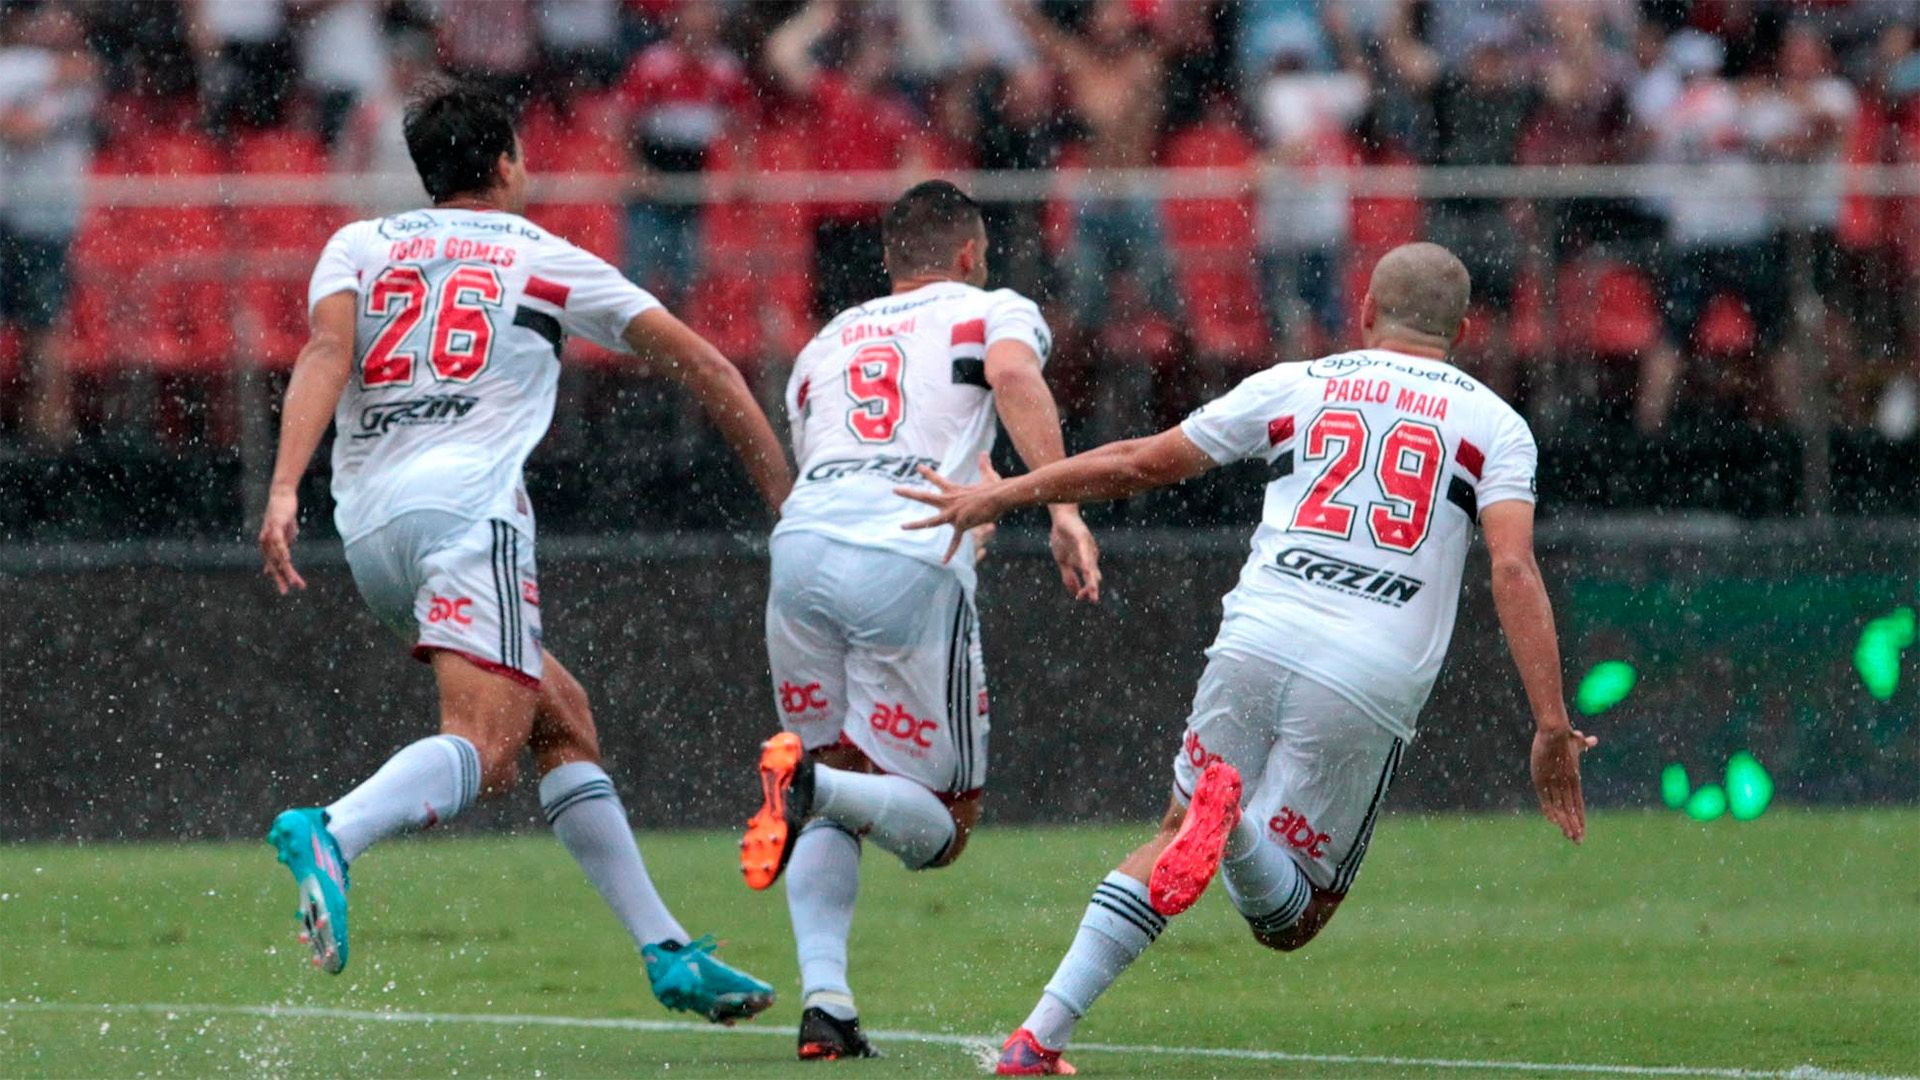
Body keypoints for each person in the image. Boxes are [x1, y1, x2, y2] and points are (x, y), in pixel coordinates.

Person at [897, 243, 1597, 1076]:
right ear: (1465, 329)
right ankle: (1228, 833)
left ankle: (1037, 1038)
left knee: (1169, 828)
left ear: (1365, 309)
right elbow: (1512, 567)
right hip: (1368, 671)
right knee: (1292, 920)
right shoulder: (1496, 425)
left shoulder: (1296, 384)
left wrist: (1001, 493)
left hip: (1257, 634)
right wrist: (1551, 722)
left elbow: (1138, 462)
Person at [255, 82, 792, 1023]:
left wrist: (283, 484)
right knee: (489, 748)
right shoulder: (548, 259)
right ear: (505, 164)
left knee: (561, 717)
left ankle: (667, 950)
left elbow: (323, 356)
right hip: (469, 515)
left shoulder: (360, 244)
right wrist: (786, 505)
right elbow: (707, 364)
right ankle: (332, 830)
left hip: (371, 528)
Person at [738, 180, 1102, 1060]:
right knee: (942, 826)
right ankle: (811, 787)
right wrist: (1060, 509)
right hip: (904, 555)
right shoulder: (991, 309)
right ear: (971, 256)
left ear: (889, 261)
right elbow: (1012, 375)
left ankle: (826, 1006)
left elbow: (826, 452)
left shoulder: (825, 342)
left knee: (838, 773)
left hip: (802, 549)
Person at [0, 2, 96, 448]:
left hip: (46, 219)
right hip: (8, 213)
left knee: (45, 328)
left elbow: (27, 129)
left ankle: (50, 437)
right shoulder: (25, 67)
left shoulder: (79, 73)